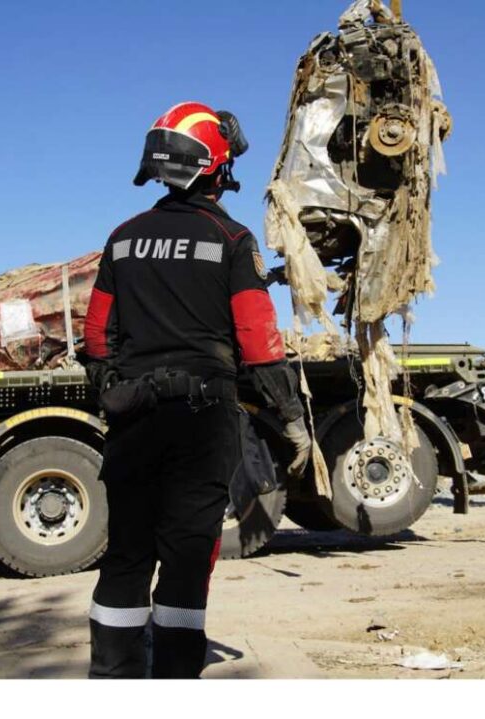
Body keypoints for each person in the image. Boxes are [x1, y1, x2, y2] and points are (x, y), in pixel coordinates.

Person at [83, 101, 311, 679]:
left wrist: (116, 388)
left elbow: (96, 336)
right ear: (215, 165)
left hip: (133, 416)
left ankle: (111, 678)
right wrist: (289, 418)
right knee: (186, 558)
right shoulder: (231, 239)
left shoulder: (122, 238)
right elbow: (259, 340)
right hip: (202, 419)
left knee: (126, 555)